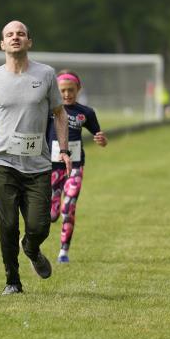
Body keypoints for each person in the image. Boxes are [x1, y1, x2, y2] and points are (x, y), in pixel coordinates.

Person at [0, 20, 71, 296]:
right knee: (8, 225)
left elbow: (60, 114)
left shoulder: (46, 74)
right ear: (2, 44)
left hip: (38, 165)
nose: (15, 37)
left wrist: (64, 150)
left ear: (29, 42)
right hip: (4, 163)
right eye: (10, 35)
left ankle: (32, 249)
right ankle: (12, 281)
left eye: (20, 34)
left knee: (39, 226)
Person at [47, 71, 108, 264]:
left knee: (69, 207)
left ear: (78, 89)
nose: (67, 94)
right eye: (62, 91)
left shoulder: (85, 113)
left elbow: (99, 134)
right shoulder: (49, 110)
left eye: (71, 90)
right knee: (52, 215)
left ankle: (63, 251)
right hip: (51, 167)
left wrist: (102, 140)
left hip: (75, 167)